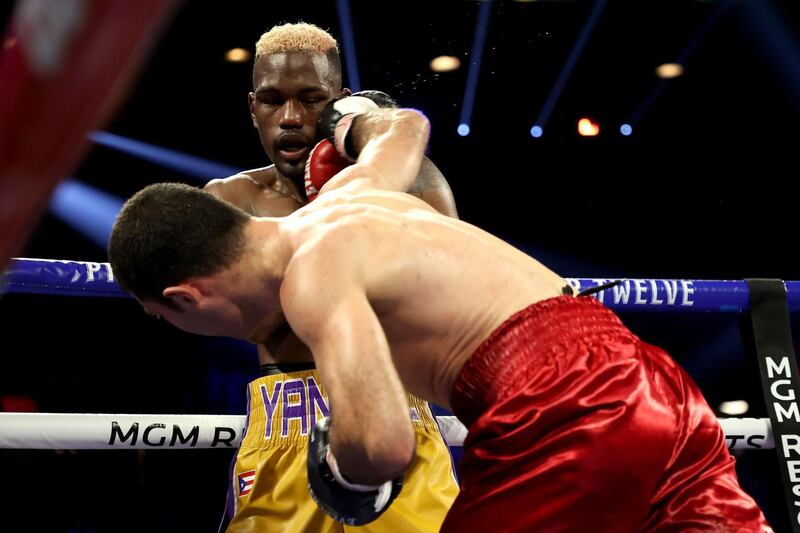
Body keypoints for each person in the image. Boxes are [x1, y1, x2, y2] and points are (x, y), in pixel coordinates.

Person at [108, 101, 771, 531]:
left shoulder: (311, 276)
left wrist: (339, 472)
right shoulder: (352, 190)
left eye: (163, 318)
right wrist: (349, 119)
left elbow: (384, 445)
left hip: (556, 407)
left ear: (184, 298)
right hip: (646, 376)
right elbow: (407, 129)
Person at [202, 23, 458, 532]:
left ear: (342, 104)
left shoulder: (409, 176)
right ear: (252, 107)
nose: (292, 118)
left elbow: (445, 289)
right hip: (284, 427)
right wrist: (337, 232)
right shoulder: (229, 203)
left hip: (401, 419)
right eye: (273, 100)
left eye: (311, 99)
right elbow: (240, 315)